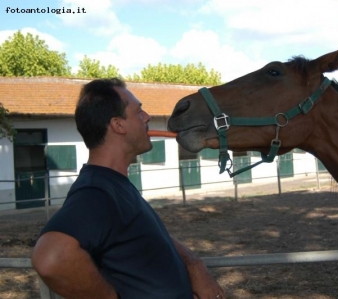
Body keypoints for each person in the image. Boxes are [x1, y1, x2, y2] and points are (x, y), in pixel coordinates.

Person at [31, 78, 225, 299]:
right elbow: (51, 257)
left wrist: (193, 263)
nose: (147, 117)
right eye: (139, 112)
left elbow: (144, 236)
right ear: (118, 125)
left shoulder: (113, 184)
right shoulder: (97, 192)